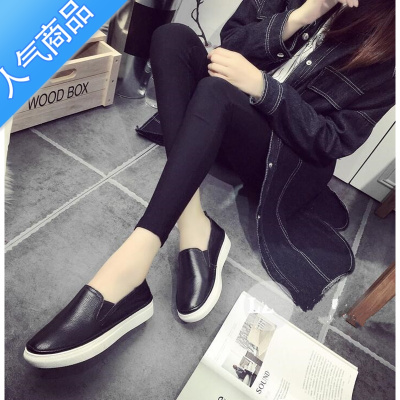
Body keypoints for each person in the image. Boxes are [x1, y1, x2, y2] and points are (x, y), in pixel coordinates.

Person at [23, 0, 395, 368]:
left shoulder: (388, 43)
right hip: (229, 120)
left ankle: (130, 264)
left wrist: (265, 88)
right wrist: (301, 16)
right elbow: (229, 47)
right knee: (171, 37)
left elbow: (335, 141)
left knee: (217, 93)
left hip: (285, 161)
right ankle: (194, 225)